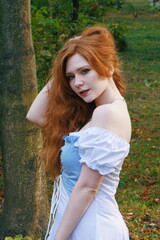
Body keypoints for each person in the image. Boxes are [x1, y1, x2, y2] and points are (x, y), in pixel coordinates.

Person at [26, 25, 132, 240]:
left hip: (93, 228)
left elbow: (88, 188)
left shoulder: (107, 114)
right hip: (79, 223)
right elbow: (35, 115)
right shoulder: (95, 115)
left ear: (109, 66)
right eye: (70, 77)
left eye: (85, 71)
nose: (78, 83)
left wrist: (58, 238)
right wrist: (68, 58)